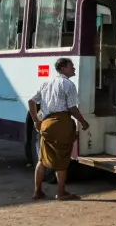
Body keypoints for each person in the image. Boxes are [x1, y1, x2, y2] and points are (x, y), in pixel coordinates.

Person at [27, 57, 90, 200]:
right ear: (63, 68)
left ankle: (37, 191)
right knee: (61, 160)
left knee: (42, 160)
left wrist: (36, 121)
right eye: (71, 66)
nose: (73, 68)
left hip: (46, 124)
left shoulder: (46, 83)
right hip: (61, 124)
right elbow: (73, 109)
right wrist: (83, 122)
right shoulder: (68, 85)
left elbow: (31, 101)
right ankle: (61, 192)